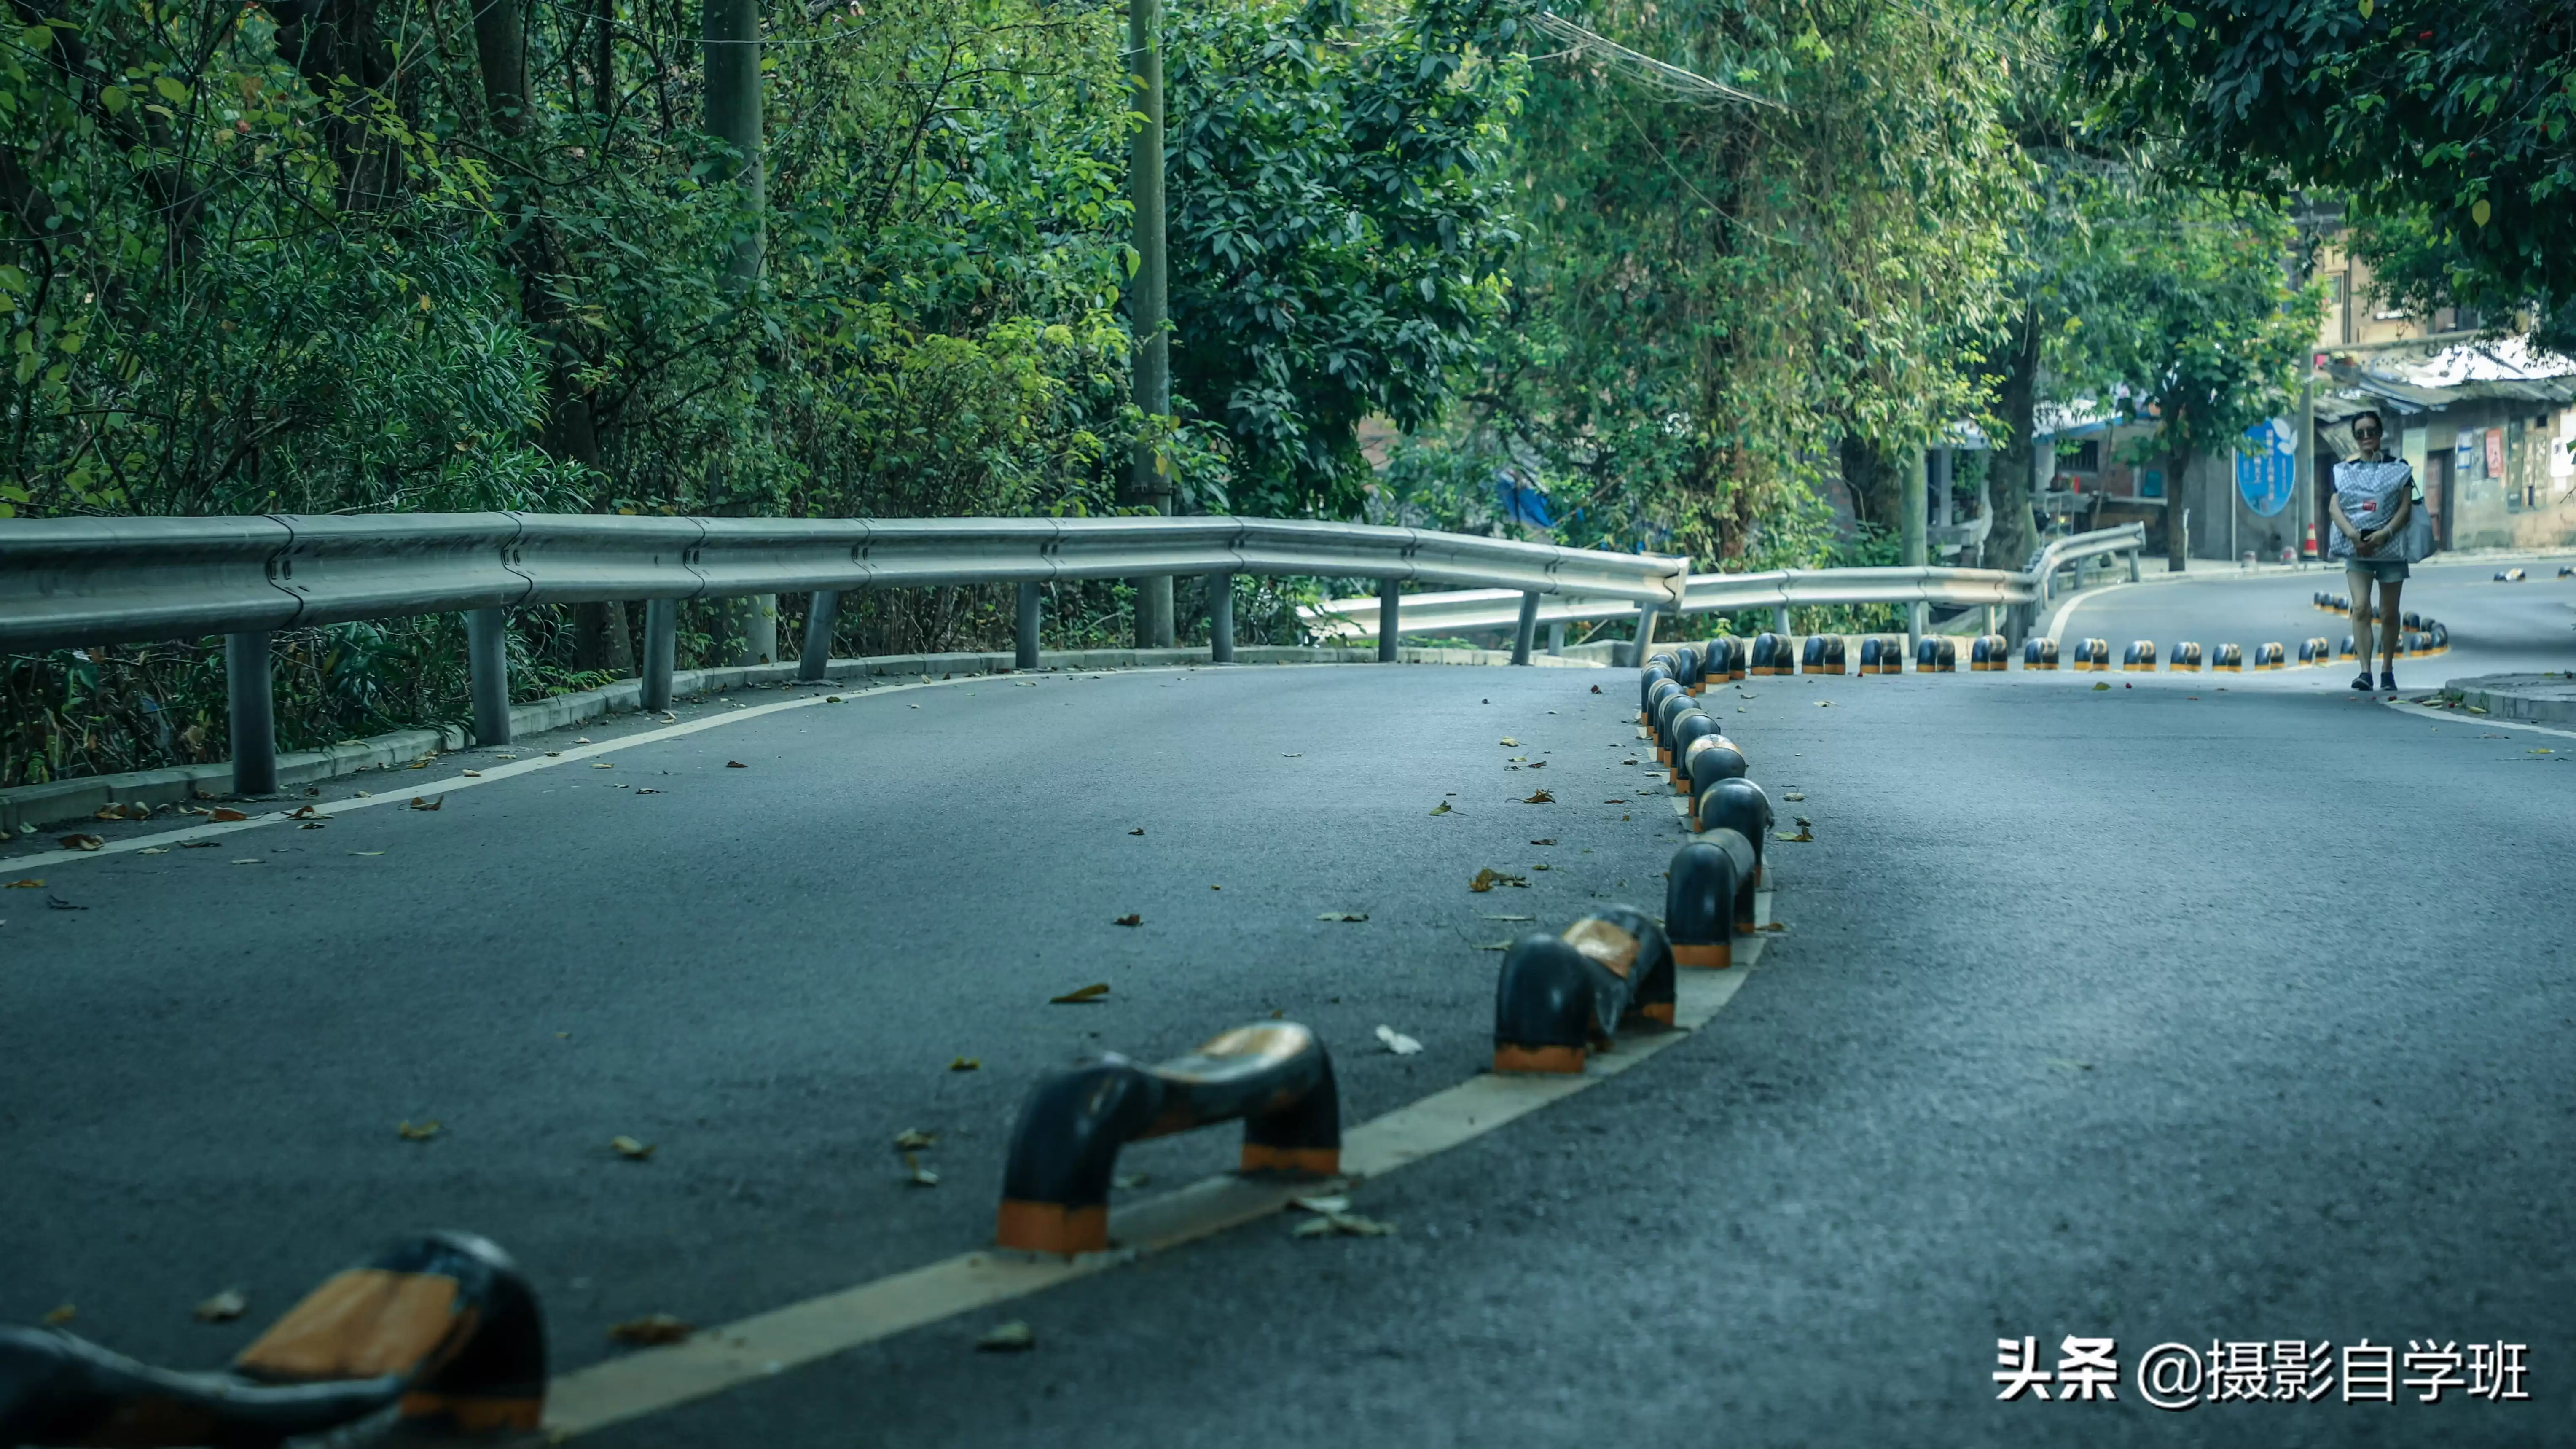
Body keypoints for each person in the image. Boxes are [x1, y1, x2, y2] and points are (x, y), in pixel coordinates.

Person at [2326, 409, 2418, 691]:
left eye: (2371, 431)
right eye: (2359, 433)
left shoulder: (2398, 467)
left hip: (2390, 549)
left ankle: (2387, 669)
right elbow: (2334, 507)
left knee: (2389, 613)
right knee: (2361, 607)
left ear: (2380, 433)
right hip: (2357, 550)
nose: (2366, 437)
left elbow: (2405, 506)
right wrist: (2354, 535)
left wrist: (2384, 533)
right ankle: (2365, 671)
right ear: (2354, 438)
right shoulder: (2345, 470)